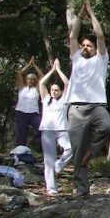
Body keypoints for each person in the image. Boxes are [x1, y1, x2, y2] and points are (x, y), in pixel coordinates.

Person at [65, 0, 110, 197]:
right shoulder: (76, 59)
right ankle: (81, 189)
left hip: (96, 107)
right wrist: (79, 14)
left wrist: (91, 12)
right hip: (76, 110)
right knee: (77, 153)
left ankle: (91, 152)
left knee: (108, 126)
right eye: (83, 45)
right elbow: (72, 36)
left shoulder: (101, 60)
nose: (85, 47)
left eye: (89, 45)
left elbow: (100, 35)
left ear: (95, 48)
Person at [38, 59, 73, 196]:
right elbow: (41, 83)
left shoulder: (64, 100)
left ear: (60, 91)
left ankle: (59, 166)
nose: (53, 92)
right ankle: (51, 189)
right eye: (52, 90)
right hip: (47, 132)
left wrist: (58, 70)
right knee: (48, 161)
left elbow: (67, 83)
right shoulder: (46, 99)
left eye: (56, 90)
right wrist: (52, 70)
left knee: (71, 148)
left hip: (62, 131)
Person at [14, 57, 44, 147]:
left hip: (33, 114)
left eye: (33, 79)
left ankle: (33, 141)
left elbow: (42, 76)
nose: (30, 81)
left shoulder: (37, 89)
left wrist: (34, 65)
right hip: (21, 112)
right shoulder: (22, 88)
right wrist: (28, 64)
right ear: (26, 80)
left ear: (35, 81)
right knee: (21, 134)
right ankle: (20, 154)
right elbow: (19, 74)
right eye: (29, 79)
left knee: (42, 128)